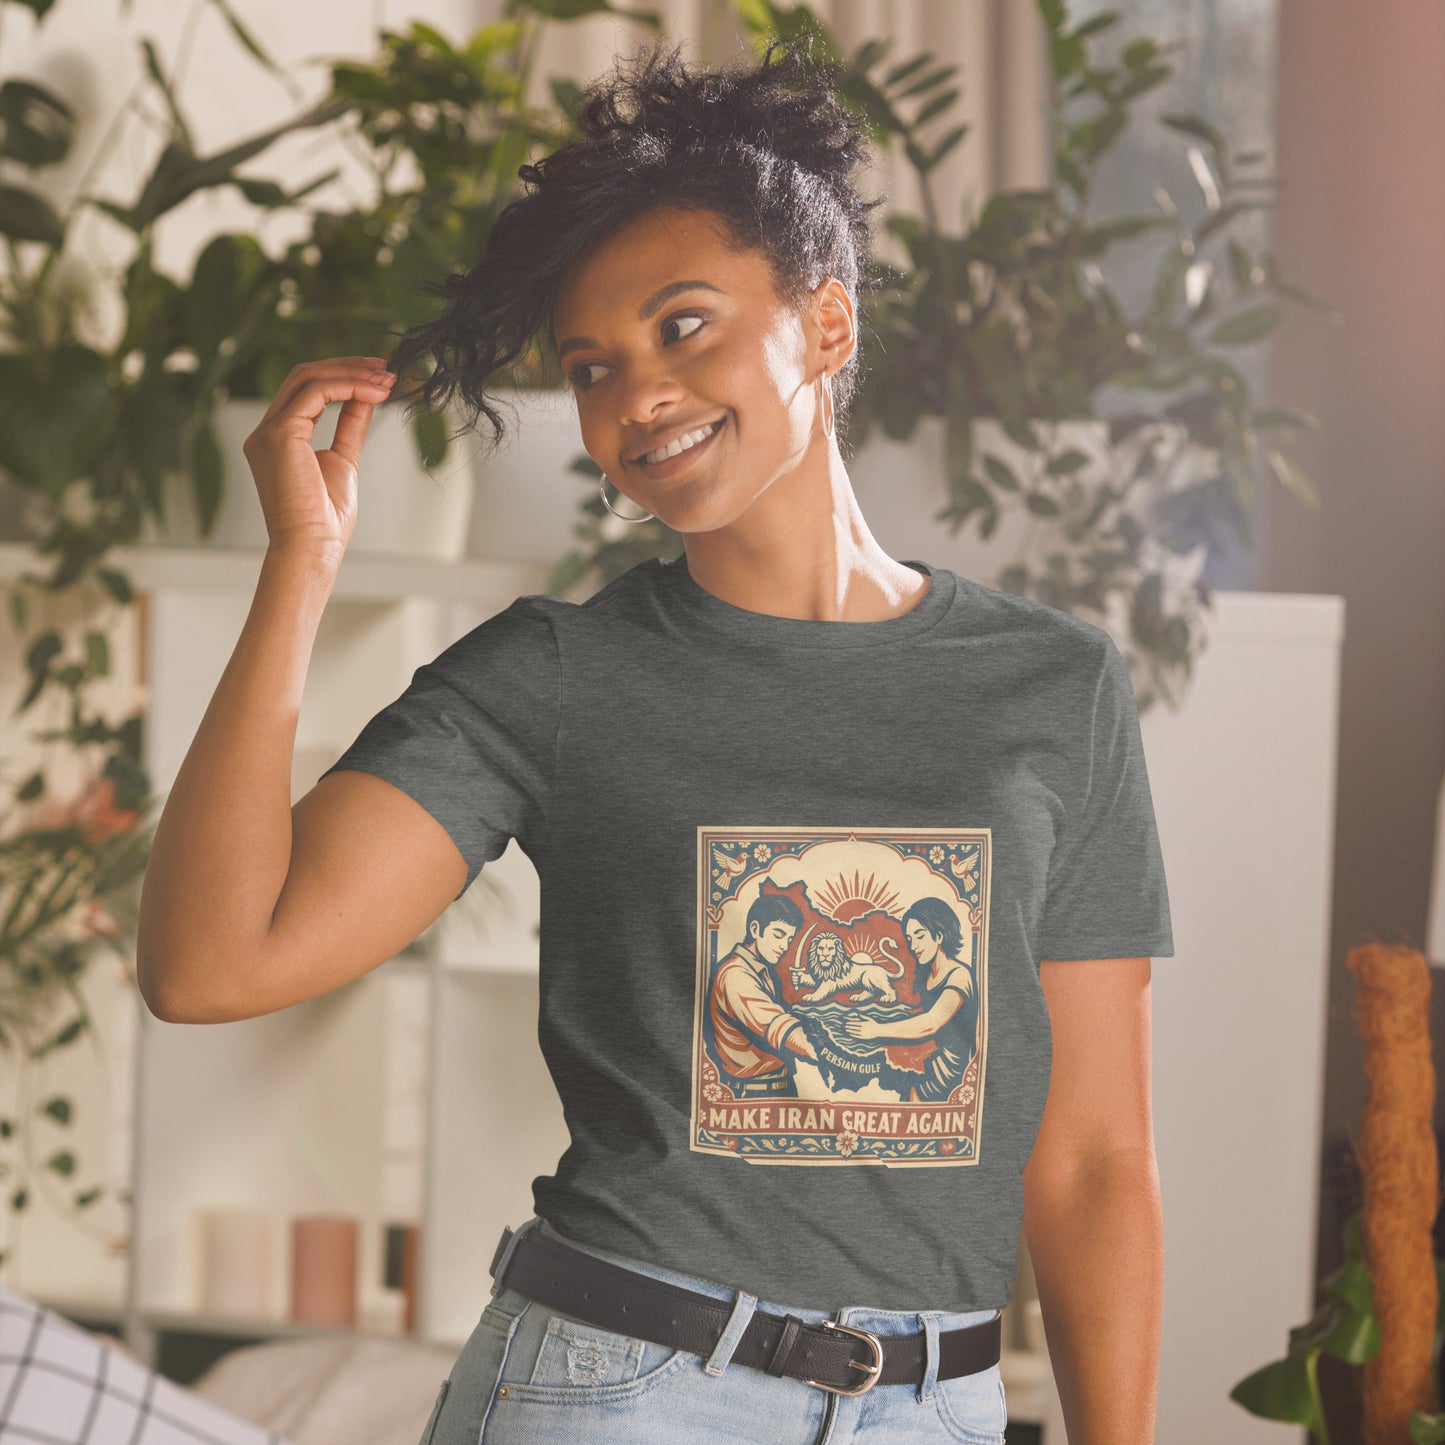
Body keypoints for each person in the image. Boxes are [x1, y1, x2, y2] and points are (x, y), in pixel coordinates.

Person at [136, 29, 1175, 1445]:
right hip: (619, 1389)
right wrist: (300, 567)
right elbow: (209, 963)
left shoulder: (1052, 686)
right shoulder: (551, 677)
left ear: (825, 323)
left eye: (681, 325)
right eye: (590, 367)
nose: (634, 399)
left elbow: (1096, 1158)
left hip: (938, 1407)